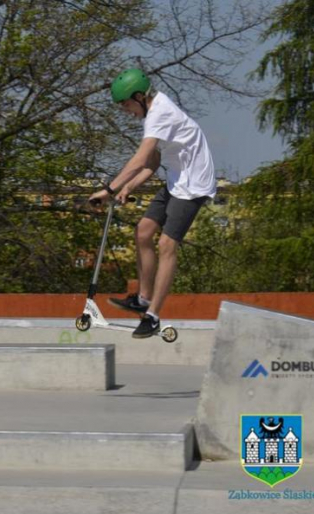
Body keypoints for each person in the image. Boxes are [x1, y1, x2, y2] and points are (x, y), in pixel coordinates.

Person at [88, 68, 216, 338]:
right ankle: (143, 299)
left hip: (193, 184)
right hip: (175, 178)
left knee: (166, 244)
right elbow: (154, 161)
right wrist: (129, 186)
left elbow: (139, 159)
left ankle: (153, 315)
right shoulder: (154, 113)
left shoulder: (160, 113)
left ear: (138, 97)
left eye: (126, 105)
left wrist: (108, 189)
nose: (126, 111)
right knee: (143, 231)